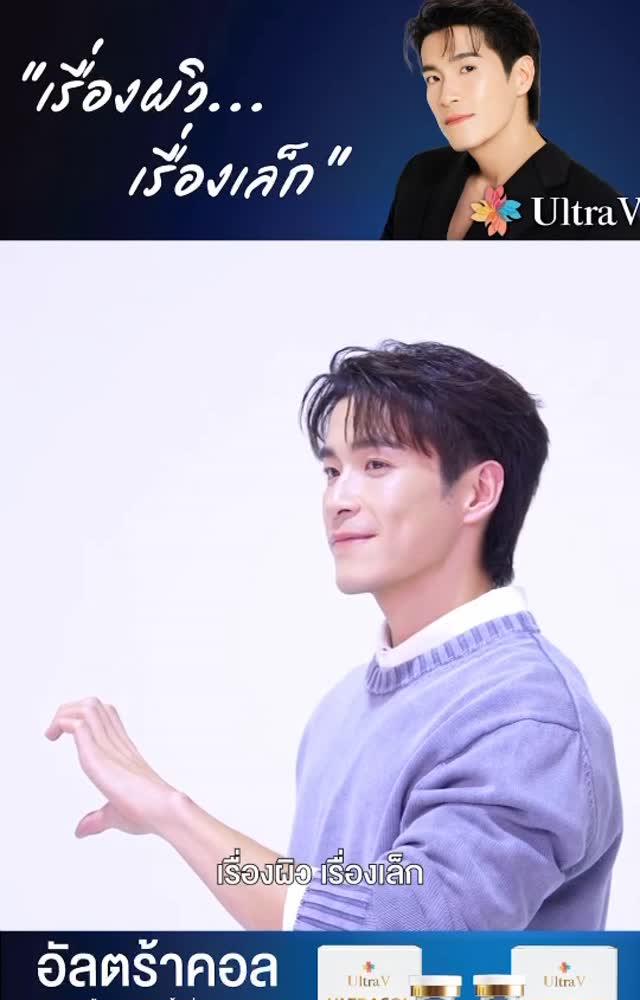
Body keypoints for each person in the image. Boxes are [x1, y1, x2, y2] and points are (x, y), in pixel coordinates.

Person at [45, 341, 623, 931]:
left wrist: (172, 813)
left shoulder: (528, 718)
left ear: (477, 492)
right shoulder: (343, 706)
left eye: (376, 465)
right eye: (331, 471)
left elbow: (396, 944)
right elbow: (325, 925)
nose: (339, 500)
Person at [382, 0, 640, 239]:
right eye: (433, 78)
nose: (446, 96)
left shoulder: (600, 215)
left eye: (467, 68)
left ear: (522, 76)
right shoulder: (419, 176)